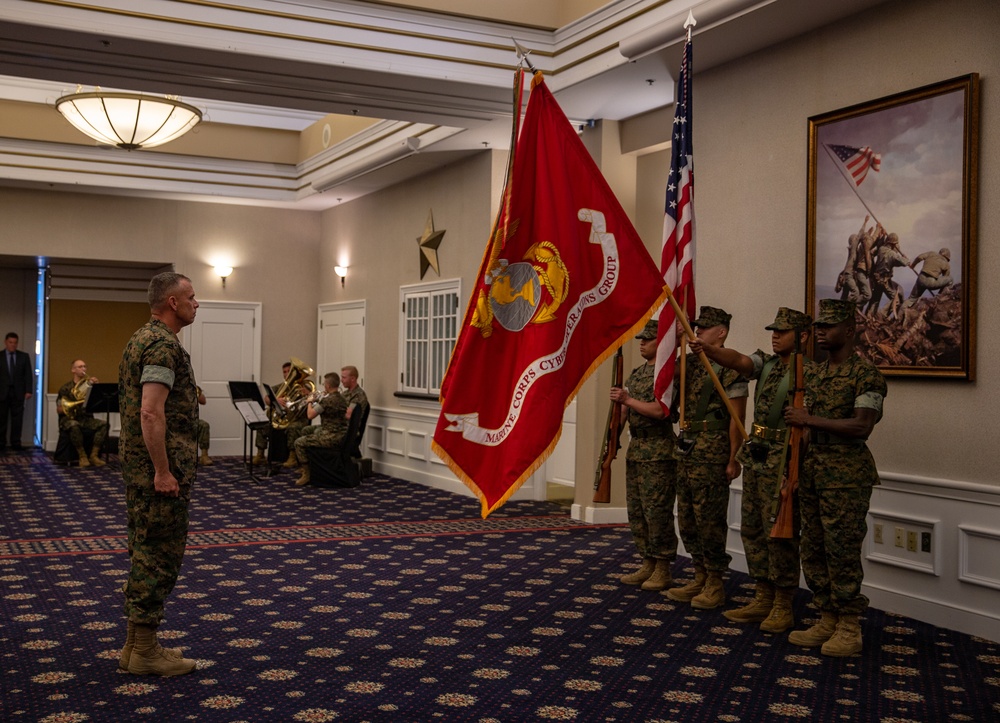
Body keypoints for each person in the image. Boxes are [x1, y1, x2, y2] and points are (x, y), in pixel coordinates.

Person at [689, 308, 814, 633]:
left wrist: (795, 468)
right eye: (773, 330)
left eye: (782, 331)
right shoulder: (768, 363)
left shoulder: (810, 372)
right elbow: (740, 362)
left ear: (802, 336)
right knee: (753, 528)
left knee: (780, 533)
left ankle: (783, 603)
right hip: (759, 454)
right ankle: (763, 595)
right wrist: (710, 350)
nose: (775, 335)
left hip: (785, 457)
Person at [784, 299, 887, 657]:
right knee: (814, 548)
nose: (821, 332)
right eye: (818, 326)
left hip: (846, 475)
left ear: (850, 330)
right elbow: (806, 426)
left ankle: (848, 626)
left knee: (842, 550)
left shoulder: (865, 374)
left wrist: (807, 420)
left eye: (828, 326)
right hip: (814, 470)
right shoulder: (817, 373)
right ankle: (827, 615)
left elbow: (862, 425)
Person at [117, 271, 200, 677]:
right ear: (172, 302)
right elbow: (150, 411)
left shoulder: (141, 337)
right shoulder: (161, 346)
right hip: (157, 474)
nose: (196, 303)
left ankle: (136, 645)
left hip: (139, 469)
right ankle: (145, 650)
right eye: (191, 296)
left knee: (144, 550)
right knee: (157, 557)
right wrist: (164, 471)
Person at [665, 306, 748, 610]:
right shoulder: (689, 362)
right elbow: (663, 376)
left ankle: (715, 580)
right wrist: (674, 340)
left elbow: (737, 416)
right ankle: (699, 573)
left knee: (709, 519)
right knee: (686, 517)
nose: (697, 331)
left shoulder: (730, 366)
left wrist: (733, 457)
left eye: (705, 327)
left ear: (721, 332)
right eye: (696, 326)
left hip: (713, 450)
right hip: (687, 448)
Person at [611, 319, 678, 591]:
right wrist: (613, 435)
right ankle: (647, 561)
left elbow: (661, 411)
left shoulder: (665, 375)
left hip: (659, 450)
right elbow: (625, 413)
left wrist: (627, 400)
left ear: (660, 343)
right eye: (640, 339)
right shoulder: (637, 374)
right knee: (637, 511)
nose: (641, 343)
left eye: (648, 339)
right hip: (637, 449)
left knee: (657, 512)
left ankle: (662, 567)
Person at [293, 371, 349, 487]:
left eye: (324, 384)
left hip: (329, 437)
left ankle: (307, 474)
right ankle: (310, 467)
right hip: (342, 435)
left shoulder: (327, 400)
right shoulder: (343, 398)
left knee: (298, 442)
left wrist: (309, 401)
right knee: (307, 430)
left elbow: (310, 415)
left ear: (328, 386)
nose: (324, 386)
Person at [56, 359, 109, 467]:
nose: (83, 369)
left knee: (104, 424)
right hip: (69, 419)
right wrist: (74, 405)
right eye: (80, 367)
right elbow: (59, 409)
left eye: (84, 366)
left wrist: (96, 389)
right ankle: (82, 456)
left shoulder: (89, 386)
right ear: (73, 370)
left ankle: (94, 456)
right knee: (74, 425)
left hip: (85, 418)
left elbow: (96, 403)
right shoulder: (66, 388)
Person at [0, 332, 35, 453]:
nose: (13, 345)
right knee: (1, 419)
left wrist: (28, 390)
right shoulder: (0, 356)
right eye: (10, 342)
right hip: (2, 392)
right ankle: (1, 443)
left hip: (18, 393)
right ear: (6, 342)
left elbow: (28, 375)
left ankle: (16, 442)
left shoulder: (23, 356)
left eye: (15, 343)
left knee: (17, 419)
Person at [252, 361, 292, 465]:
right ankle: (260, 454)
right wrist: (276, 400)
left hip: (292, 418)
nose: (286, 374)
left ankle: (293, 457)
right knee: (262, 425)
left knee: (294, 428)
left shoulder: (301, 388)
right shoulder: (280, 386)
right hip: (279, 418)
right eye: (284, 372)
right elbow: (266, 398)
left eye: (289, 371)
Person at [866, 232, 910, 319]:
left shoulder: (881, 249)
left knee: (876, 298)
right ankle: (881, 315)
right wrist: (906, 258)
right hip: (884, 280)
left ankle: (869, 315)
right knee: (896, 299)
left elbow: (884, 247)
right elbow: (905, 263)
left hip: (877, 278)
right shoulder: (892, 255)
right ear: (893, 244)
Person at [195, 386, 212, 466]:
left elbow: (203, 401)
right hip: (172, 419)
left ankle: (204, 455)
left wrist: (198, 392)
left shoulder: (190, 387)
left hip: (190, 419)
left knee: (204, 425)